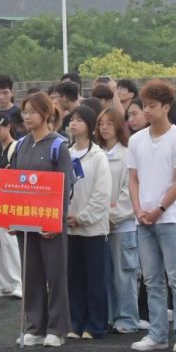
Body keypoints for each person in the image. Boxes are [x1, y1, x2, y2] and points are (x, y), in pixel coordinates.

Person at [127, 80, 176, 352]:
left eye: (152, 106)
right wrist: (138, 209)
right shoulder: (136, 140)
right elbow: (133, 178)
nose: (147, 110)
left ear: (166, 107)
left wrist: (160, 209)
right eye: (144, 105)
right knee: (152, 279)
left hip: (171, 219)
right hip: (143, 218)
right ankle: (157, 334)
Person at [12, 91, 75, 347]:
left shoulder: (58, 146)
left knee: (55, 275)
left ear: (46, 114)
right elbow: (13, 184)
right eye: (25, 112)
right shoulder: (20, 145)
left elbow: (65, 187)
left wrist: (57, 222)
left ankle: (57, 329)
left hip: (50, 222)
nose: (27, 116)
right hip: (26, 221)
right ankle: (34, 326)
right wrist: (12, 218)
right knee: (31, 274)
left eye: (32, 112)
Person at [63, 104, 113, 338]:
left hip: (92, 229)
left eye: (79, 120)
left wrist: (82, 217)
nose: (73, 123)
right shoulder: (66, 153)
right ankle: (76, 322)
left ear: (90, 126)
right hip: (69, 228)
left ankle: (96, 324)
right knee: (74, 278)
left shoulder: (98, 157)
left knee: (95, 279)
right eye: (72, 119)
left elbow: (101, 194)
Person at [0, 110, 25, 301]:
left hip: (11, 202)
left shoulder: (16, 148)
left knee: (10, 244)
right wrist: (2, 174)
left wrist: (1, 175)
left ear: (8, 127)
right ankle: (2, 284)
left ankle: (18, 282)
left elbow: (16, 174)